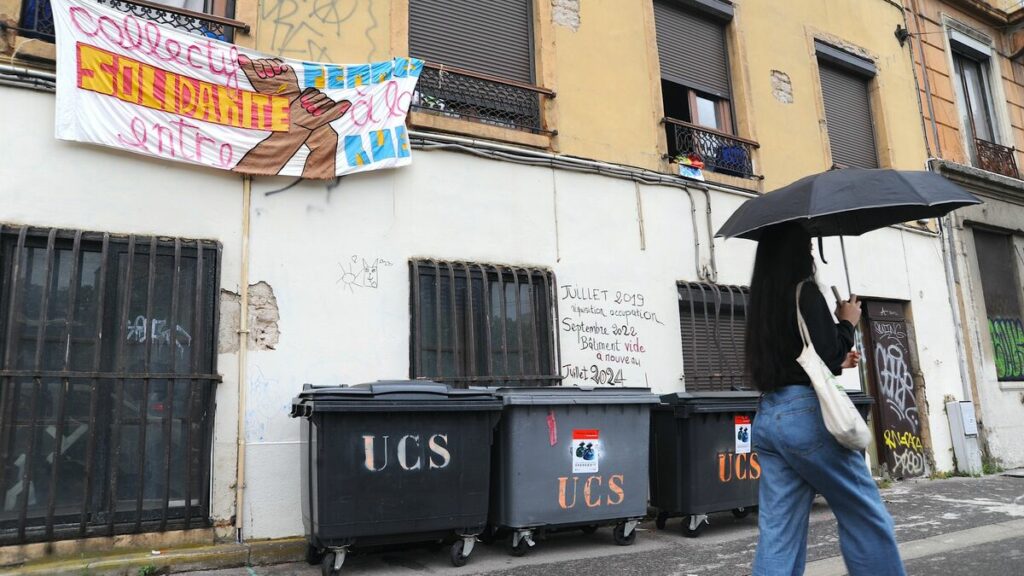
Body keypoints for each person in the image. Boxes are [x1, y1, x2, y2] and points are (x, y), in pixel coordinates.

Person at [745, 222, 905, 576]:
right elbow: (830, 351)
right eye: (807, 247)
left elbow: (808, 360)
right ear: (797, 253)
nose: (812, 254)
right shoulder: (805, 292)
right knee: (864, 515)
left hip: (770, 417)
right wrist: (846, 322)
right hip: (806, 417)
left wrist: (837, 359)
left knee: (778, 533)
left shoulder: (763, 301)